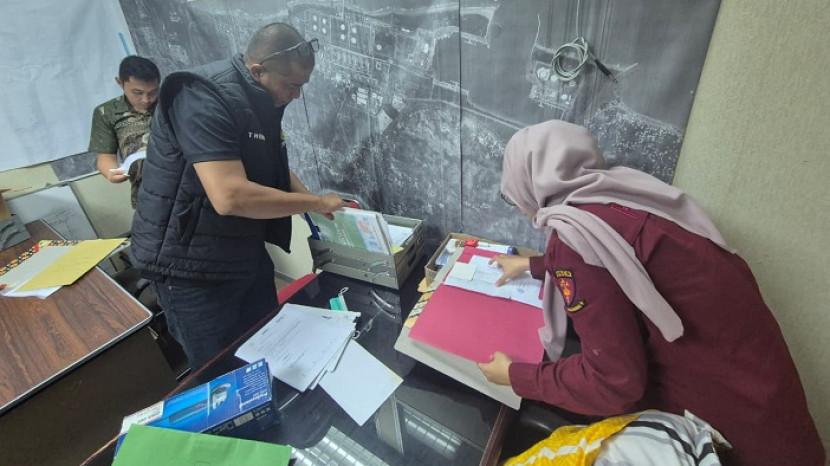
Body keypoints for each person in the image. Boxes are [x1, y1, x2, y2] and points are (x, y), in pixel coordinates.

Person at [478, 120, 825, 466]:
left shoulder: (574, 238)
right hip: (766, 401)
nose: (519, 205)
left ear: (530, 183)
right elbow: (620, 259)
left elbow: (612, 382)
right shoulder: (621, 193)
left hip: (727, 434)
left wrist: (515, 377)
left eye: (512, 194)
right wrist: (535, 265)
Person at [130, 23, 346, 369]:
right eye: (292, 85)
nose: (297, 95)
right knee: (221, 371)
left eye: (302, 85)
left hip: (242, 251)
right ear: (258, 71)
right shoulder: (200, 96)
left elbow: (273, 165)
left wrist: (312, 202)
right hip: (189, 265)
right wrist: (316, 203)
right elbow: (230, 196)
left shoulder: (260, 98)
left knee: (268, 346)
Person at [88, 55, 160, 207]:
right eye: (138, 93)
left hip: (188, 184)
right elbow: (105, 157)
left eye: (153, 92)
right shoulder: (106, 112)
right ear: (120, 83)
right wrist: (112, 173)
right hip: (147, 193)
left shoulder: (172, 103)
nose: (146, 99)